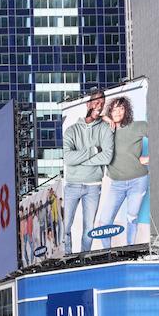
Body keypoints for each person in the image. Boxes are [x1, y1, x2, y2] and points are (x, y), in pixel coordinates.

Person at [62, 89, 114, 254]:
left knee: (89, 229)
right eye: (96, 101)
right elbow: (68, 158)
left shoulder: (105, 129)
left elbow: (107, 157)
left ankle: (84, 258)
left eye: (102, 103)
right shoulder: (71, 130)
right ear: (88, 104)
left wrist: (80, 160)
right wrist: (93, 150)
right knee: (65, 226)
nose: (99, 105)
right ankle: (67, 257)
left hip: (93, 186)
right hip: (72, 185)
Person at [96, 95, 149, 246]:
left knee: (132, 217)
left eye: (121, 108)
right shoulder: (106, 131)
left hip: (138, 181)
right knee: (104, 222)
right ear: (109, 112)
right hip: (116, 184)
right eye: (114, 109)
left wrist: (148, 158)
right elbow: (91, 116)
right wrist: (105, 118)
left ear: (126, 110)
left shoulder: (138, 126)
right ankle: (107, 252)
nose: (118, 112)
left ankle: (130, 247)